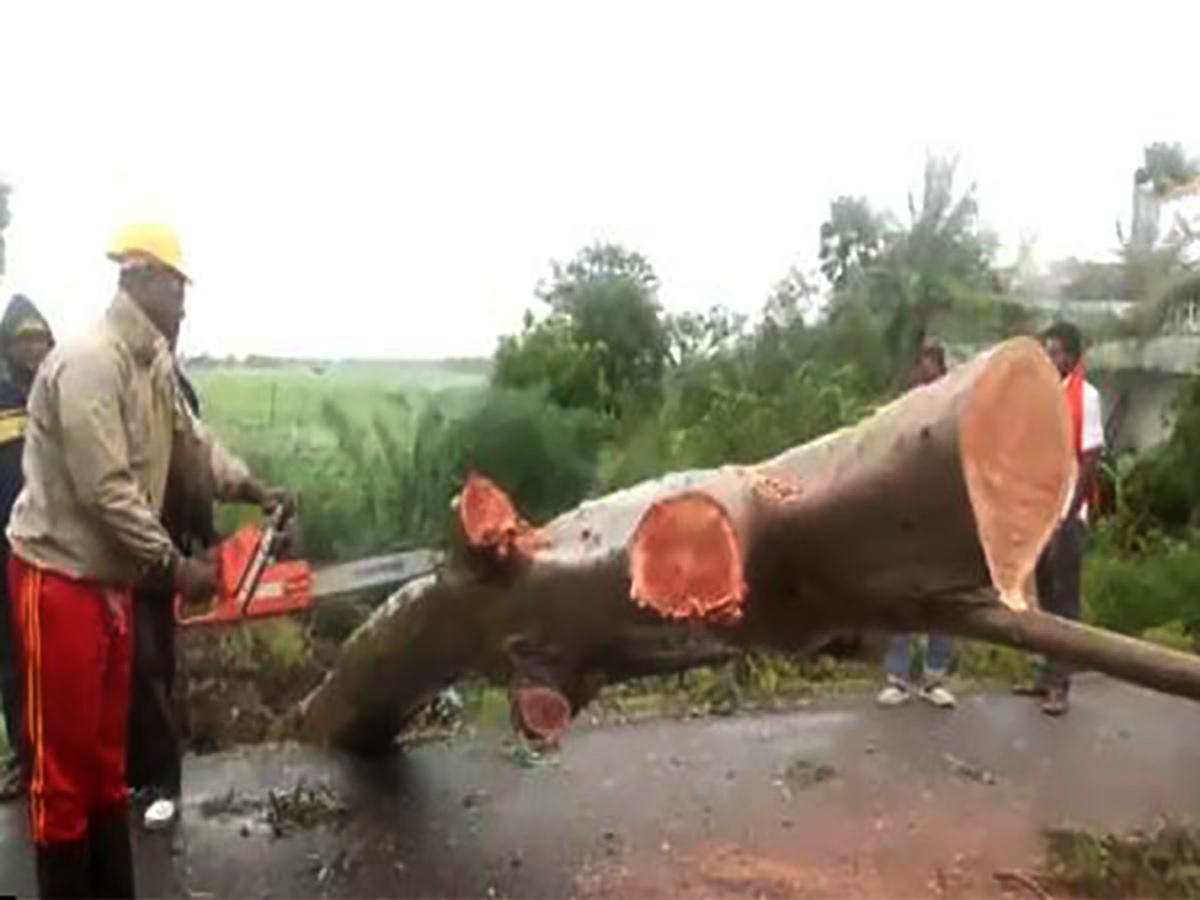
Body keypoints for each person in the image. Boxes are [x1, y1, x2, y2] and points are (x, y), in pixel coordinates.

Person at [7, 224, 287, 898]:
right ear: (140, 279)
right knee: (62, 776)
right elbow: (107, 492)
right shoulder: (89, 366)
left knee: (106, 763)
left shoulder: (152, 363)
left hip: (111, 583)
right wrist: (173, 568)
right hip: (61, 580)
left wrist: (252, 487)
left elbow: (193, 446)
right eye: (177, 286)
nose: (185, 303)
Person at [127, 361, 214, 832]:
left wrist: (204, 540)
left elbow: (199, 472)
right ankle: (140, 777)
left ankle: (161, 781)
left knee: (154, 666)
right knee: (136, 670)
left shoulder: (176, 394)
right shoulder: (123, 403)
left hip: (165, 556)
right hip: (130, 555)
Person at [1015, 321, 1103, 717]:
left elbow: (1090, 459)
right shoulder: (1046, 397)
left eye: (1054, 353)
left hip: (1066, 515)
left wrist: (1069, 514)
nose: (1050, 359)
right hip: (1042, 514)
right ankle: (1045, 674)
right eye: (1047, 352)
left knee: (1065, 602)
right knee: (1046, 599)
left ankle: (1060, 686)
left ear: (1070, 355)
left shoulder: (1088, 397)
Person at [876, 343, 957, 710]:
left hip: (943, 519)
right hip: (905, 517)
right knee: (901, 598)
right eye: (921, 366)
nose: (925, 372)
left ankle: (934, 677)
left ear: (942, 370)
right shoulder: (901, 408)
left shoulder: (957, 409)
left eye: (932, 366)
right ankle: (897, 678)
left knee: (944, 600)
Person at [0, 295, 54, 801]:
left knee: (55, 657)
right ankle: (25, 755)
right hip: (5, 549)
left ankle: (57, 756)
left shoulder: (58, 392)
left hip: (53, 547)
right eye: (24, 340)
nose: (33, 348)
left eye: (40, 338)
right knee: (13, 659)